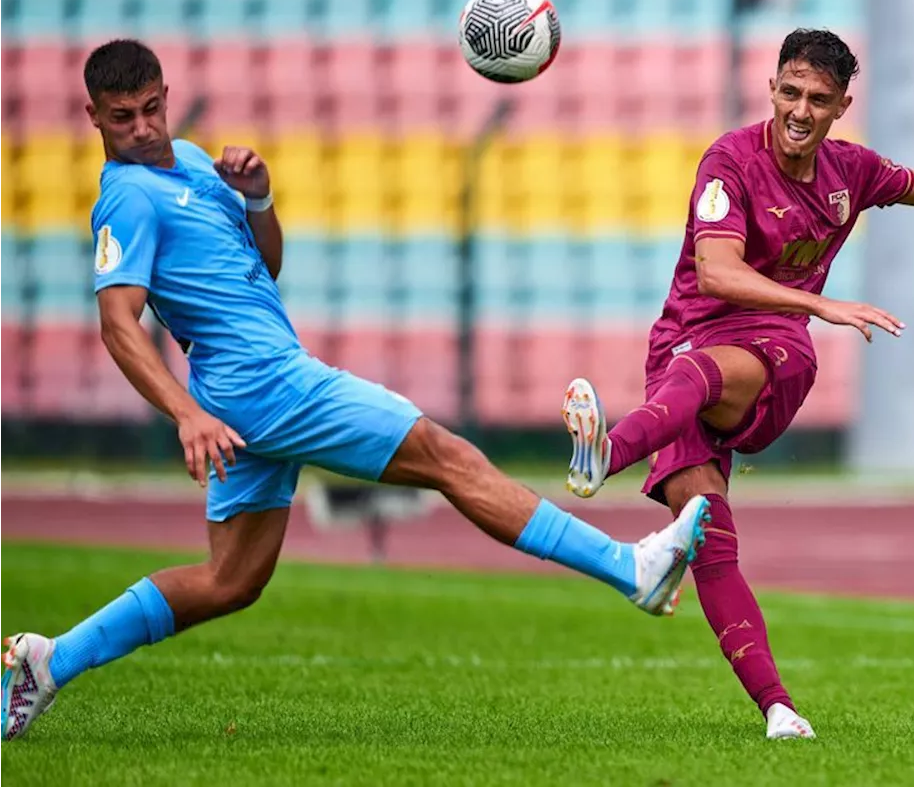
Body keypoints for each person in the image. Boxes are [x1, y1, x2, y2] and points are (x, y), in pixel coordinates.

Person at [1, 38, 711, 742]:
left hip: (248, 386)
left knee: (230, 579)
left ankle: (52, 658)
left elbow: (265, 265)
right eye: (123, 117)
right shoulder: (126, 200)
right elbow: (118, 323)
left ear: (166, 94)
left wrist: (258, 198)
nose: (144, 128)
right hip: (262, 384)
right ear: (92, 115)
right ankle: (630, 567)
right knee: (444, 453)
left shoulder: (188, 159)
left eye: (153, 108)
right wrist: (185, 413)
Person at [560, 28, 914, 740]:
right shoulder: (728, 160)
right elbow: (715, 272)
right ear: (772, 88)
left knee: (712, 371)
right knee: (709, 537)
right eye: (791, 92)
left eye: (819, 99)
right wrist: (821, 302)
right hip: (682, 355)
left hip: (768, 357)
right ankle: (779, 708)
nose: (801, 110)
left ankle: (604, 456)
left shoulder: (849, 171)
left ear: (842, 107)